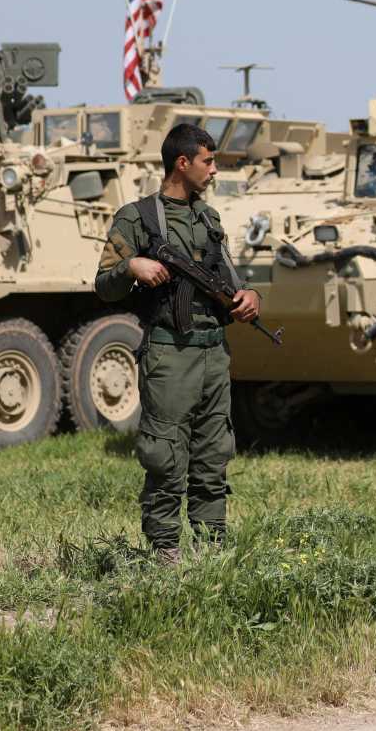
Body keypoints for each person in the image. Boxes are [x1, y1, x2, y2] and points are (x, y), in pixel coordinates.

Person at [94, 123, 262, 563]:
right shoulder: (138, 217)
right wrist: (133, 267)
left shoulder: (209, 218)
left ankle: (211, 547)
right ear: (182, 163)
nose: (214, 170)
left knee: (213, 455)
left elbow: (229, 277)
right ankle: (165, 549)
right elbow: (103, 284)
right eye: (208, 161)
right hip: (169, 352)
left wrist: (249, 296)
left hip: (213, 353)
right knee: (165, 455)